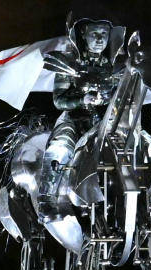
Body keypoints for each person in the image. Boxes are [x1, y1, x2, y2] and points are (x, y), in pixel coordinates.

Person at [37, 16, 125, 220]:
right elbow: (59, 101)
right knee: (58, 147)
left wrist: (109, 100)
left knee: (138, 142)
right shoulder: (68, 63)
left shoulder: (115, 66)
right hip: (74, 120)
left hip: (104, 122)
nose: (100, 39)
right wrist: (82, 98)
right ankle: (46, 199)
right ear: (84, 35)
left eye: (104, 34)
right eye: (95, 34)